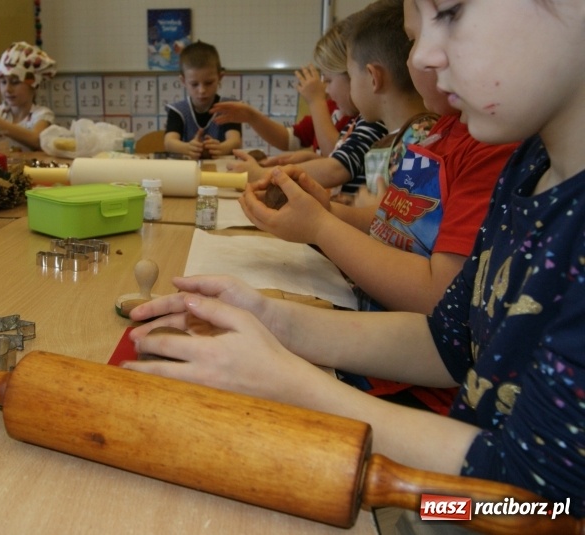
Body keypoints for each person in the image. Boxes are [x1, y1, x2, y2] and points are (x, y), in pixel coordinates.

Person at [123, 0, 585, 515]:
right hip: (443, 484)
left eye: (451, 12)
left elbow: (538, 504)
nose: (422, 57)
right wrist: (270, 318)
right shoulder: (530, 167)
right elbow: (449, 342)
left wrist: (291, 385)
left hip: (465, 507)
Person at [241, 0, 519, 414]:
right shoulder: (441, 132)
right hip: (376, 343)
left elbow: (437, 297)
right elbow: (399, 223)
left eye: (417, 39)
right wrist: (327, 210)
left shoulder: (486, 145)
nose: (417, 58)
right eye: (415, 40)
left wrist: (320, 226)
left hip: (412, 388)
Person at [225, 18, 388, 195]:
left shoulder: (372, 121)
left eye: (329, 80)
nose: (325, 89)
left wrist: (262, 174)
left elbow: (336, 167)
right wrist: (313, 158)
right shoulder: (352, 117)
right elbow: (299, 142)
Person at [210, 23, 352, 163]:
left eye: (329, 80)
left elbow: (337, 158)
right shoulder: (331, 107)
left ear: (352, 76)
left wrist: (316, 101)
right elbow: (290, 140)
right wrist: (251, 116)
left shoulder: (356, 119)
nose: (325, 89)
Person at [163, 40, 242, 160]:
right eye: (194, 84)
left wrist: (221, 148)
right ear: (183, 81)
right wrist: (188, 148)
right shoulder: (178, 110)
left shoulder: (228, 108)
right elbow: (169, 142)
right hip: (188, 169)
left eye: (208, 83)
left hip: (223, 169)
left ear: (220, 77)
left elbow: (235, 141)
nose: (202, 90)